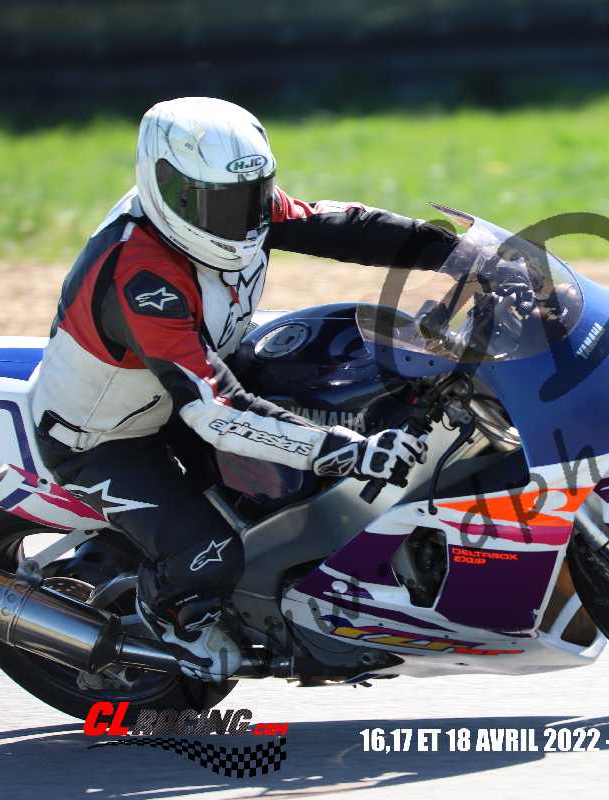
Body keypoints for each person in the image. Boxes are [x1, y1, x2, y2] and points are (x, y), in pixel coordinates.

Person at [31, 97, 460, 682]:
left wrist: (457, 252)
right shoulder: (141, 274)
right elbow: (214, 408)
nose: (237, 221)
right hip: (107, 438)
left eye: (251, 198)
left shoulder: (232, 208)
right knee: (210, 555)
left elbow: (342, 226)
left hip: (185, 384)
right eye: (218, 204)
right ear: (168, 188)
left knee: (343, 380)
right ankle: (173, 623)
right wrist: (345, 450)